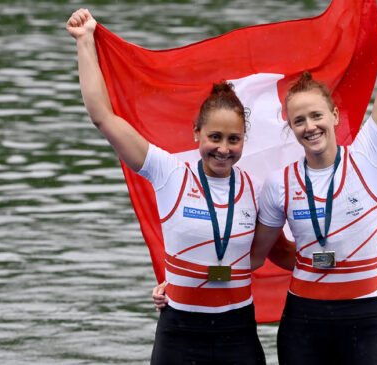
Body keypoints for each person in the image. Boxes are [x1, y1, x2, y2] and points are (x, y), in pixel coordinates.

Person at [66, 9, 267, 365]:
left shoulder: (255, 188)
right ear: (196, 134)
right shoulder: (169, 172)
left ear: (244, 140)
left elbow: (271, 252)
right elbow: (103, 117)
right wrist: (86, 42)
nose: (223, 148)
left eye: (233, 139)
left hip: (238, 333)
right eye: (215, 137)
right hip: (180, 332)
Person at [250, 0, 377, 364]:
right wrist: (179, 285)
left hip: (365, 321)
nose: (310, 126)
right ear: (290, 128)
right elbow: (253, 258)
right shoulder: (280, 184)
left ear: (335, 116)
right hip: (304, 324)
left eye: (317, 115)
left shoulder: (369, 153)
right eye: (299, 120)